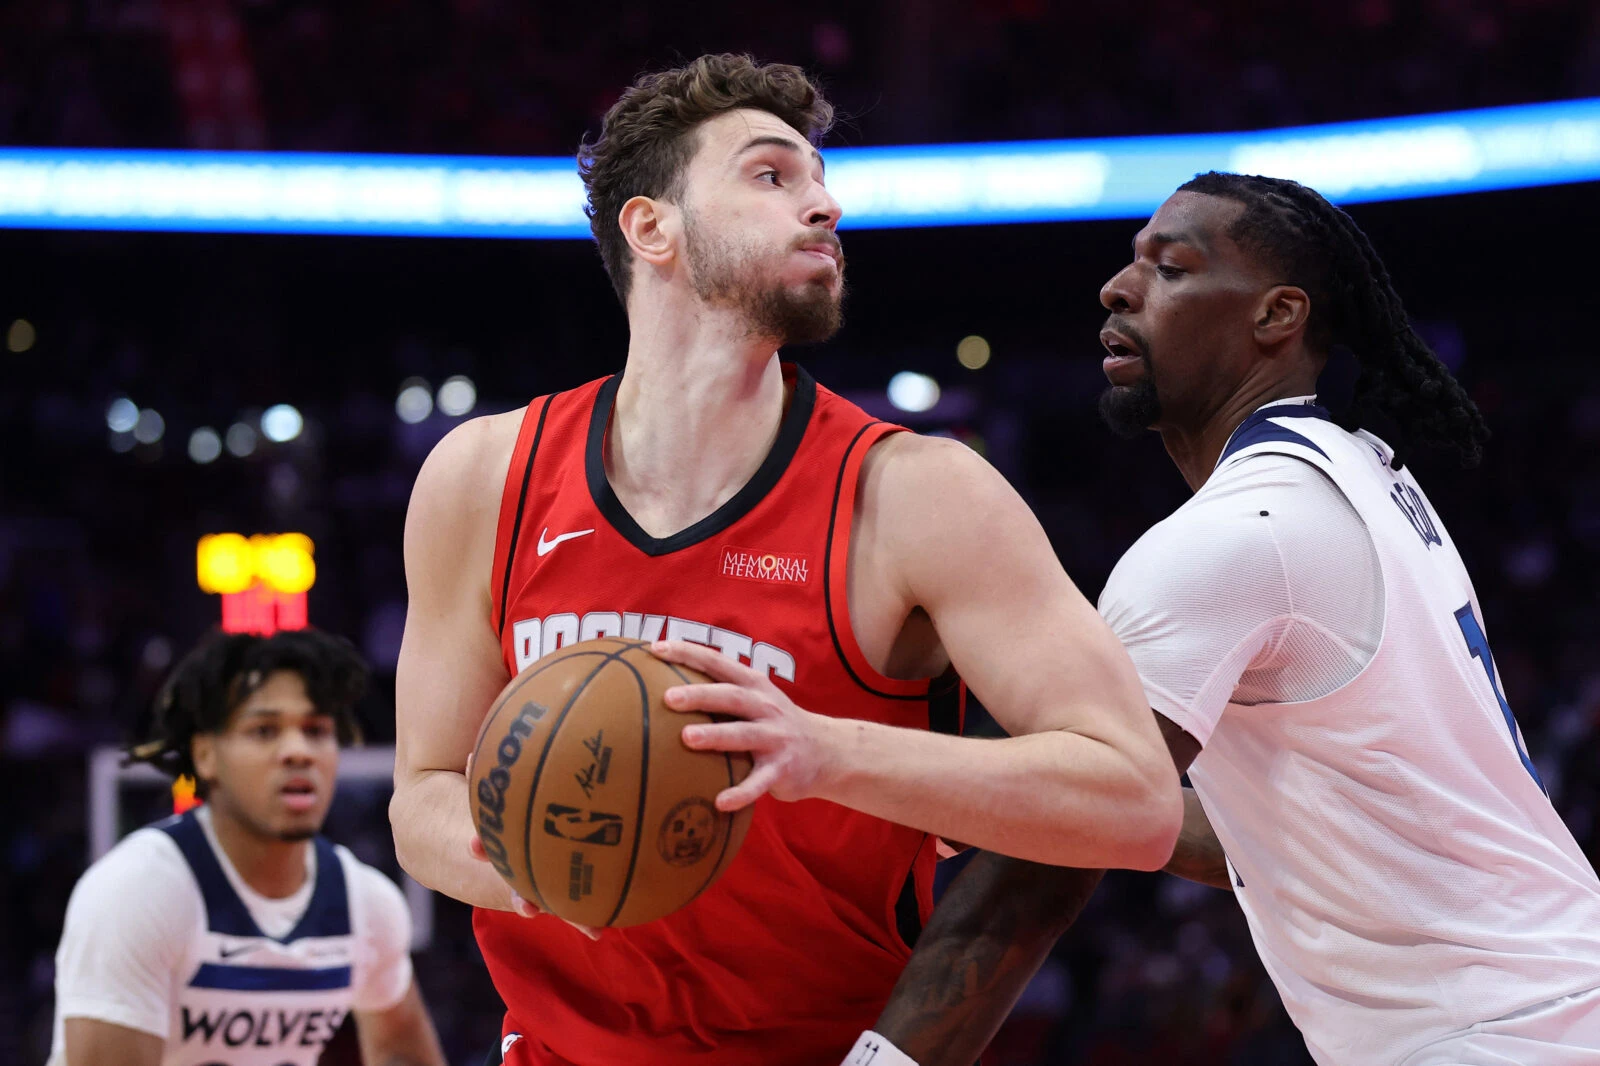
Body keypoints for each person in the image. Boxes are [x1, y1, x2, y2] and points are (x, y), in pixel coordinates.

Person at [390, 52, 1181, 1066]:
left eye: (819, 179)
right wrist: (539, 863)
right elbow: (420, 793)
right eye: (772, 176)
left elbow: (1135, 800)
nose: (824, 205)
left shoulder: (916, 495)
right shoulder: (484, 477)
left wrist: (826, 752)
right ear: (652, 228)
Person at [859, 173, 1600, 1066]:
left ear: (1277, 316)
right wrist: (1025, 796)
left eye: (1170, 268)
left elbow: (1039, 876)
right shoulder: (1364, 473)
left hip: (1492, 1038)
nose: (1119, 287)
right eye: (1132, 263)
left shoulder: (1232, 538)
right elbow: (1265, 832)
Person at [48, 628, 445, 1066]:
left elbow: (401, 1053)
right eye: (264, 730)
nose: (299, 752)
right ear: (205, 756)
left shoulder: (366, 904)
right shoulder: (135, 892)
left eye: (316, 730)